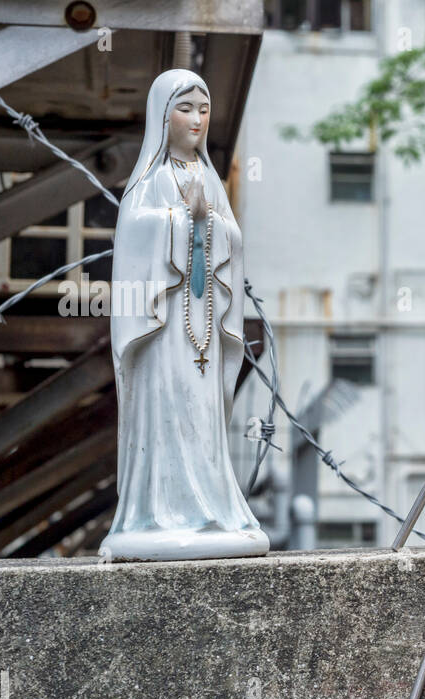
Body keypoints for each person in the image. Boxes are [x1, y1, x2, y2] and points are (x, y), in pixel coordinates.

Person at [100, 69, 269, 561]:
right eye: (185, 107)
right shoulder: (151, 181)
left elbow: (232, 240)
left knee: (202, 417)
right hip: (163, 329)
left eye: (204, 108)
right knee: (169, 413)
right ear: (162, 114)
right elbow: (133, 235)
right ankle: (160, 512)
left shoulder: (207, 179)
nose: (197, 119)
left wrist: (209, 222)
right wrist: (182, 220)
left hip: (204, 327)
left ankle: (212, 510)